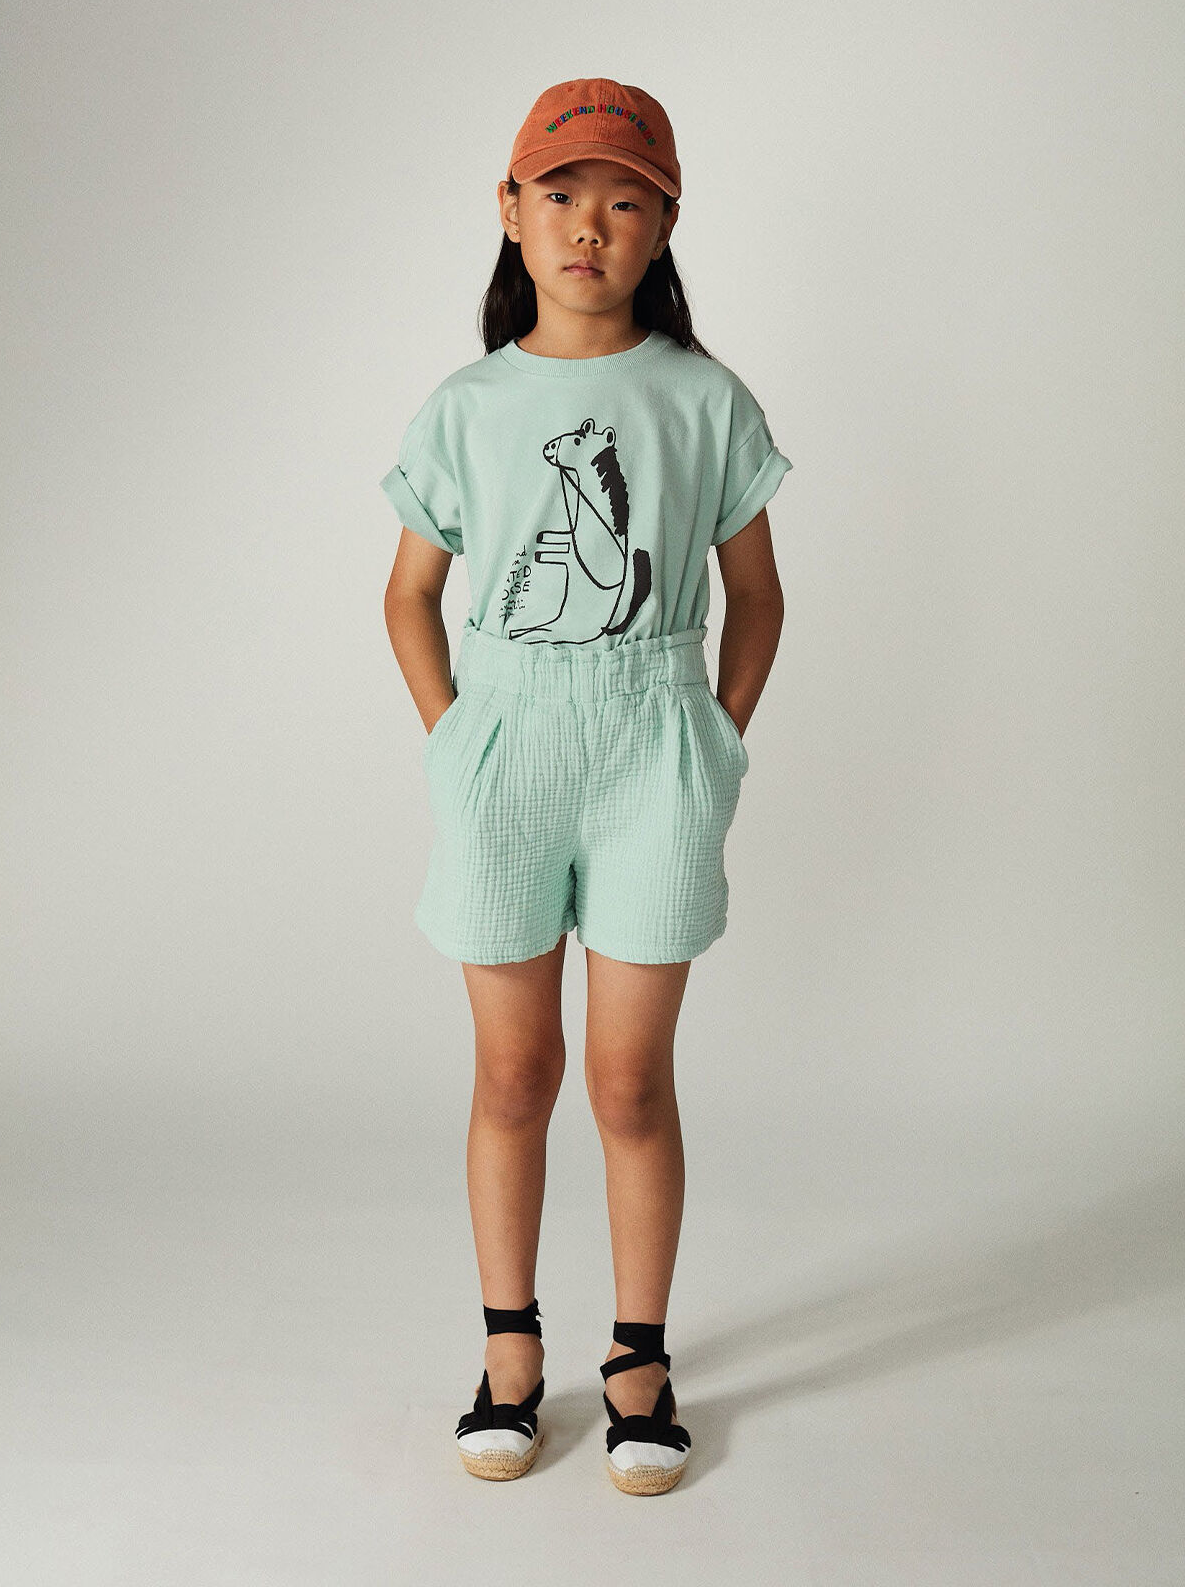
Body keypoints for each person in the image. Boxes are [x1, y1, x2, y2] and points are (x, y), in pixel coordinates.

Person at [379, 77, 792, 1495]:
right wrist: (455, 736)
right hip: (506, 748)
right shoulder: (469, 406)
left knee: (626, 1080)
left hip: (652, 746)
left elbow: (756, 596)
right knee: (514, 1072)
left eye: (624, 202)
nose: (588, 227)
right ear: (511, 210)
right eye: (560, 196)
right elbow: (410, 595)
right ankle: (509, 1349)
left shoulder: (704, 398)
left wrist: (715, 736)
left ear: (663, 225)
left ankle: (638, 1358)